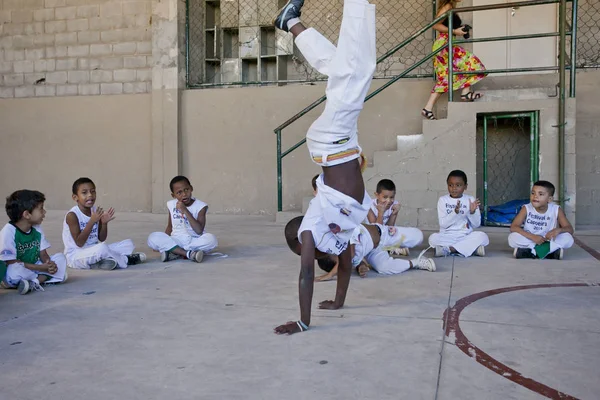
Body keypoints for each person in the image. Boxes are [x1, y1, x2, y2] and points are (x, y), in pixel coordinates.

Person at [272, 0, 377, 335]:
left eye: (304, 249)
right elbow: (345, 266)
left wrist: (303, 322)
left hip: (332, 142)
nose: (309, 252)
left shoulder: (311, 230)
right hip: (342, 144)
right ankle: (291, 23)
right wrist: (339, 302)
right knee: (342, 68)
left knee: (355, 73)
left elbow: (305, 274)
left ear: (300, 242)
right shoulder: (337, 239)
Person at [421, 0, 487, 120]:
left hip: (447, 42)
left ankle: (427, 109)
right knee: (471, 61)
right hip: (444, 43)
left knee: (446, 77)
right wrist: (454, 31)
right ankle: (466, 93)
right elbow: (435, 25)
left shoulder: (450, 6)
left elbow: (446, 25)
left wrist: (459, 30)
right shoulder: (447, 6)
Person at [63, 177, 146, 270]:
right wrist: (91, 222)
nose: (90, 195)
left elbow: (101, 238)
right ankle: (126, 259)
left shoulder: (94, 210)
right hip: (76, 256)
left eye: (93, 191)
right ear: (75, 197)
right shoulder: (72, 215)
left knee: (128, 244)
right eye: (84, 192)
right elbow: (79, 243)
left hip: (94, 250)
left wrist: (104, 223)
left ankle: (99, 263)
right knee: (102, 248)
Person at [315, 221, 434, 281]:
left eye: (337, 257)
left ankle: (395, 249)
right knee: (383, 268)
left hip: (384, 235)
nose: (342, 258)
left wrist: (330, 275)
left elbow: (351, 254)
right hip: (373, 252)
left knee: (419, 237)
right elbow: (356, 259)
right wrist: (360, 266)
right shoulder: (349, 261)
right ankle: (416, 262)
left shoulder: (341, 236)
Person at [0, 190, 67, 294]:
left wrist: (49, 264)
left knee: (60, 258)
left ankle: (34, 282)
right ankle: (46, 278)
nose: (44, 212)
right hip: (18, 269)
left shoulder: (37, 228)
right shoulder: (8, 232)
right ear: (27, 214)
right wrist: (42, 268)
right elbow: (10, 262)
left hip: (35, 267)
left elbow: (43, 254)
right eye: (41, 209)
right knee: (15, 270)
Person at [147, 176, 218, 263]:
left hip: (194, 240)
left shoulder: (201, 206)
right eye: (179, 192)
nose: (184, 194)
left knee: (211, 240)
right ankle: (188, 254)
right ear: (173, 195)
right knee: (153, 238)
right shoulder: (171, 205)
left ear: (191, 188)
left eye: (186, 190)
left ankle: (175, 251)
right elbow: (170, 226)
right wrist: (163, 241)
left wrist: (185, 210)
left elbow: (199, 230)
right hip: (176, 240)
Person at [428, 170, 488, 257]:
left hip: (465, 235)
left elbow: (476, 225)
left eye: (458, 185)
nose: (454, 188)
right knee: (432, 239)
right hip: (447, 236)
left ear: (465, 186)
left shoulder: (470, 200)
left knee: (483, 236)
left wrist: (472, 212)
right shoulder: (443, 200)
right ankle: (471, 249)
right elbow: (443, 224)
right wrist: (454, 213)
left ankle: (449, 249)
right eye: (450, 185)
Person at [509, 180, 574, 259]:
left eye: (540, 194)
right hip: (531, 239)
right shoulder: (526, 208)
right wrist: (532, 237)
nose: (535, 196)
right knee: (512, 238)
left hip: (548, 240)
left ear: (549, 199)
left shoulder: (556, 209)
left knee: (568, 238)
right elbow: (514, 227)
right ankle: (550, 252)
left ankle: (530, 251)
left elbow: (569, 229)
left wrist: (558, 230)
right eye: (533, 193)